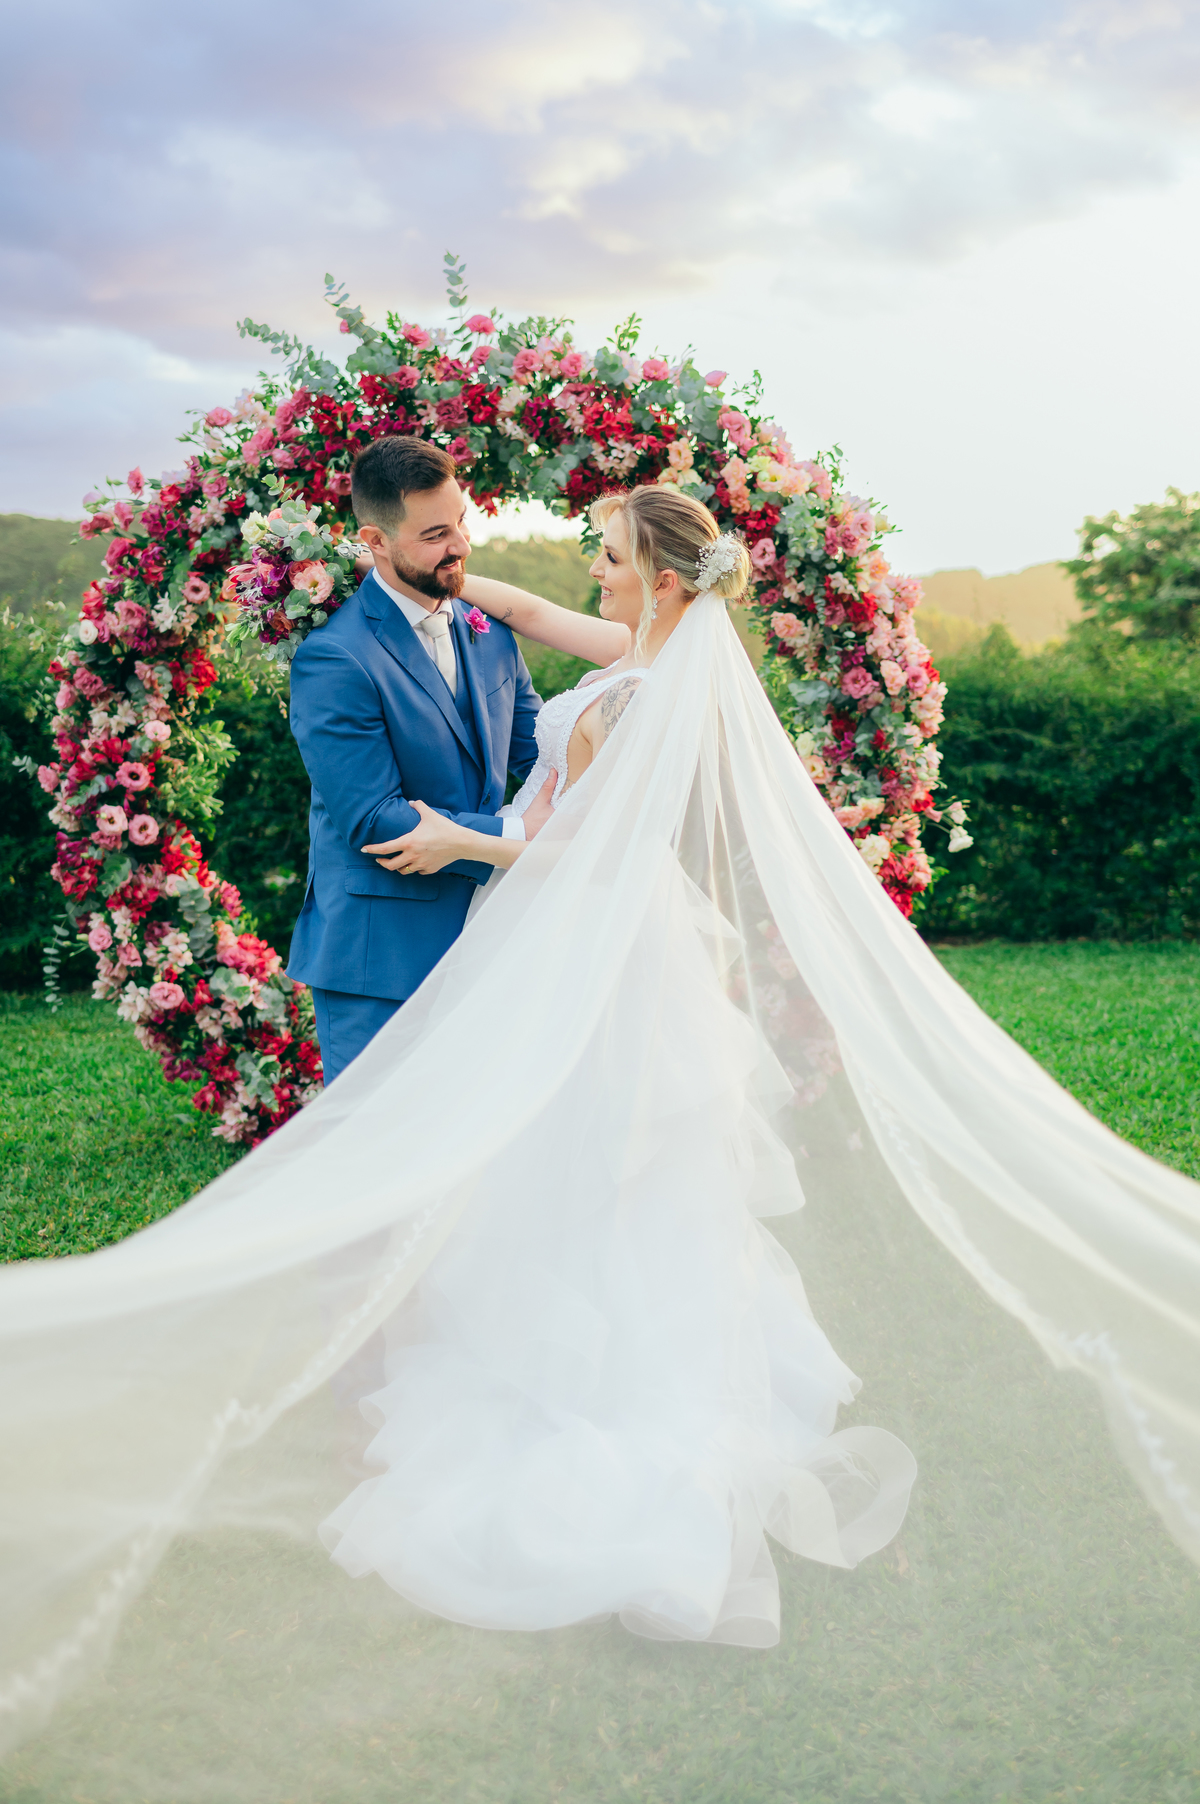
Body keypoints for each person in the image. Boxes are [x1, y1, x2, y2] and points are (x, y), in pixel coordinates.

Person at [4, 484, 1200, 1757]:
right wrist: (444, 587)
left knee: (593, 1184)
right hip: (598, 956)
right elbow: (526, 615)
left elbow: (604, 853)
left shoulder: (638, 699)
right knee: (601, 1186)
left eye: (614, 554)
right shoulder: (645, 658)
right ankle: (590, 1375)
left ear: (665, 580)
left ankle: (607, 1418)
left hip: (590, 951)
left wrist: (469, 844)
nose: (597, 567)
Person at [286, 435, 558, 1084]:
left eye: (461, 521)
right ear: (375, 541)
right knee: (372, 1135)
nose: (460, 545)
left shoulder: (490, 633)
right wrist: (517, 833)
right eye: (435, 534)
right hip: (379, 957)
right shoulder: (334, 658)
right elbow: (375, 818)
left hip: (491, 939)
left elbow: (543, 752)